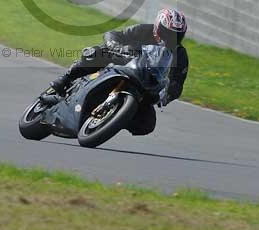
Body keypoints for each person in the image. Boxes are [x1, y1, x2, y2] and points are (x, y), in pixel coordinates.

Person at [48, 9, 190, 136]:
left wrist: (167, 94)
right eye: (168, 33)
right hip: (125, 62)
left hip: (147, 84)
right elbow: (114, 34)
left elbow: (177, 83)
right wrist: (115, 45)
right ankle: (65, 79)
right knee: (96, 53)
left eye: (176, 35)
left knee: (147, 125)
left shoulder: (180, 54)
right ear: (158, 28)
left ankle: (114, 118)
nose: (171, 38)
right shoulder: (144, 30)